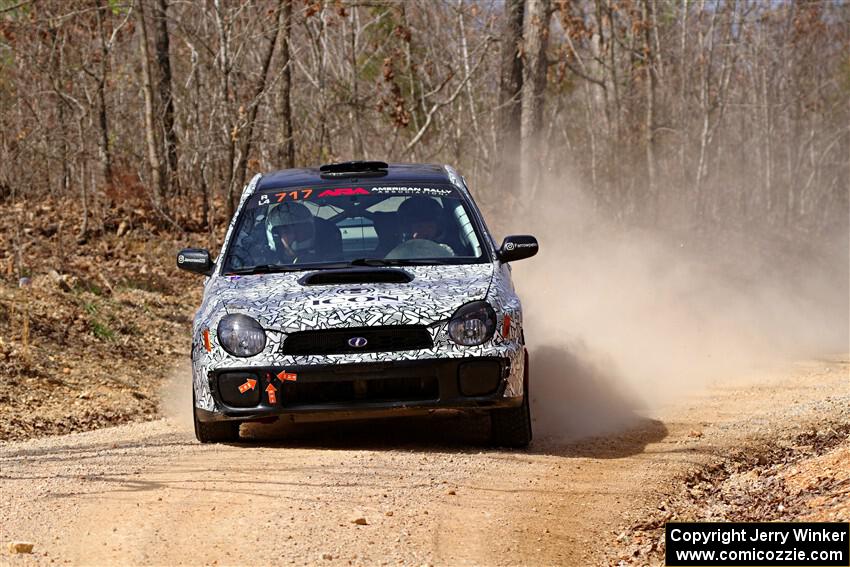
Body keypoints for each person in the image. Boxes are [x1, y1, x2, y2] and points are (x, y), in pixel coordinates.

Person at [386, 196, 455, 259]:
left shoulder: (444, 250)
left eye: (429, 227)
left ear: (438, 228)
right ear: (407, 229)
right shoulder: (396, 250)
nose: (425, 231)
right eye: (419, 227)